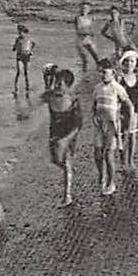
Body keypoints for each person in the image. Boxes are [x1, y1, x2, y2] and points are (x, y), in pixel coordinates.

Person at [43, 66, 81, 207]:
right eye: (56, 82)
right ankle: (69, 168)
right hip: (55, 132)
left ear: (68, 86)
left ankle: (67, 195)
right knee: (55, 160)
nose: (57, 85)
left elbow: (78, 123)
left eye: (61, 83)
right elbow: (37, 102)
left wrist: (66, 140)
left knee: (64, 161)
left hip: (69, 132)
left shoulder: (72, 100)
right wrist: (25, 111)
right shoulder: (50, 96)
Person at [92, 66, 132, 197]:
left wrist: (129, 123)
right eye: (101, 72)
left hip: (112, 126)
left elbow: (129, 105)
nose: (102, 75)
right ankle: (101, 175)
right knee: (97, 153)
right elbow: (94, 105)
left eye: (105, 72)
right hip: (100, 125)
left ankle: (111, 182)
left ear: (113, 74)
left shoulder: (118, 88)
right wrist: (94, 116)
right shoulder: (97, 88)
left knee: (108, 155)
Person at [74, 1, 101, 76]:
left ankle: (99, 73)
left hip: (89, 39)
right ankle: (84, 74)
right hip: (80, 40)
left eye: (86, 8)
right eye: (82, 8)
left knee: (96, 57)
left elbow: (94, 29)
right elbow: (79, 30)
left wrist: (92, 33)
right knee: (85, 59)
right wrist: (89, 32)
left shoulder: (91, 18)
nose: (84, 10)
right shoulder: (78, 18)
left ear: (89, 9)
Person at [12, 23, 36, 97]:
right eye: (19, 32)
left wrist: (31, 51)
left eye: (20, 31)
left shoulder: (28, 39)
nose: (19, 33)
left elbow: (34, 44)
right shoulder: (18, 39)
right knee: (18, 71)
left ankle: (27, 86)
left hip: (26, 57)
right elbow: (14, 47)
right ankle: (15, 87)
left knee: (26, 73)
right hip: (19, 56)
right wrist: (15, 47)